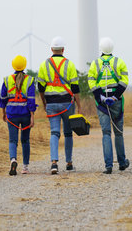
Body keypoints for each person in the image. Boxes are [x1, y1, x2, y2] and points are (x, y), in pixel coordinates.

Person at [37, 36, 81, 174]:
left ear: (51, 49)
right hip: (67, 103)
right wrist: (79, 106)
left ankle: (54, 163)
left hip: (51, 103)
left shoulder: (44, 65)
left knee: (54, 132)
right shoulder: (70, 65)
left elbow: (41, 88)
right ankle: (69, 163)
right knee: (68, 134)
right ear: (63, 49)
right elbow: (75, 88)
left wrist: (44, 103)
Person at [88, 37, 130, 174]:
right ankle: (122, 163)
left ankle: (108, 166)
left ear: (101, 48)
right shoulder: (119, 62)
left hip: (102, 103)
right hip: (116, 101)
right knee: (118, 133)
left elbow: (91, 81)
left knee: (106, 133)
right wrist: (115, 96)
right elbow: (124, 81)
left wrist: (101, 97)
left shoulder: (95, 64)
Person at [0, 55, 37, 176]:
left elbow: (3, 99)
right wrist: (32, 116)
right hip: (25, 114)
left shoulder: (7, 80)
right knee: (25, 140)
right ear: (25, 65)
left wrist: (3, 113)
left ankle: (13, 159)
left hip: (12, 114)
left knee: (12, 140)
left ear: (13, 65)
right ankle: (25, 167)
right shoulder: (30, 80)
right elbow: (31, 100)